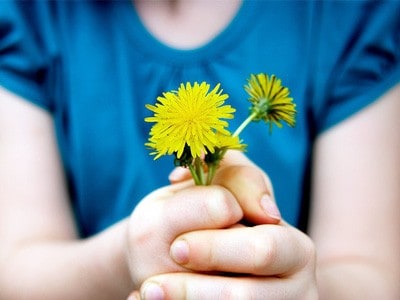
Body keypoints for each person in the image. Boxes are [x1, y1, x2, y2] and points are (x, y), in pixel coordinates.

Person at [0, 0, 399, 299]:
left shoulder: (351, 14)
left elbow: (374, 275)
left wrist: (302, 286)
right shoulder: (30, 12)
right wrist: (126, 257)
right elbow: (15, 272)